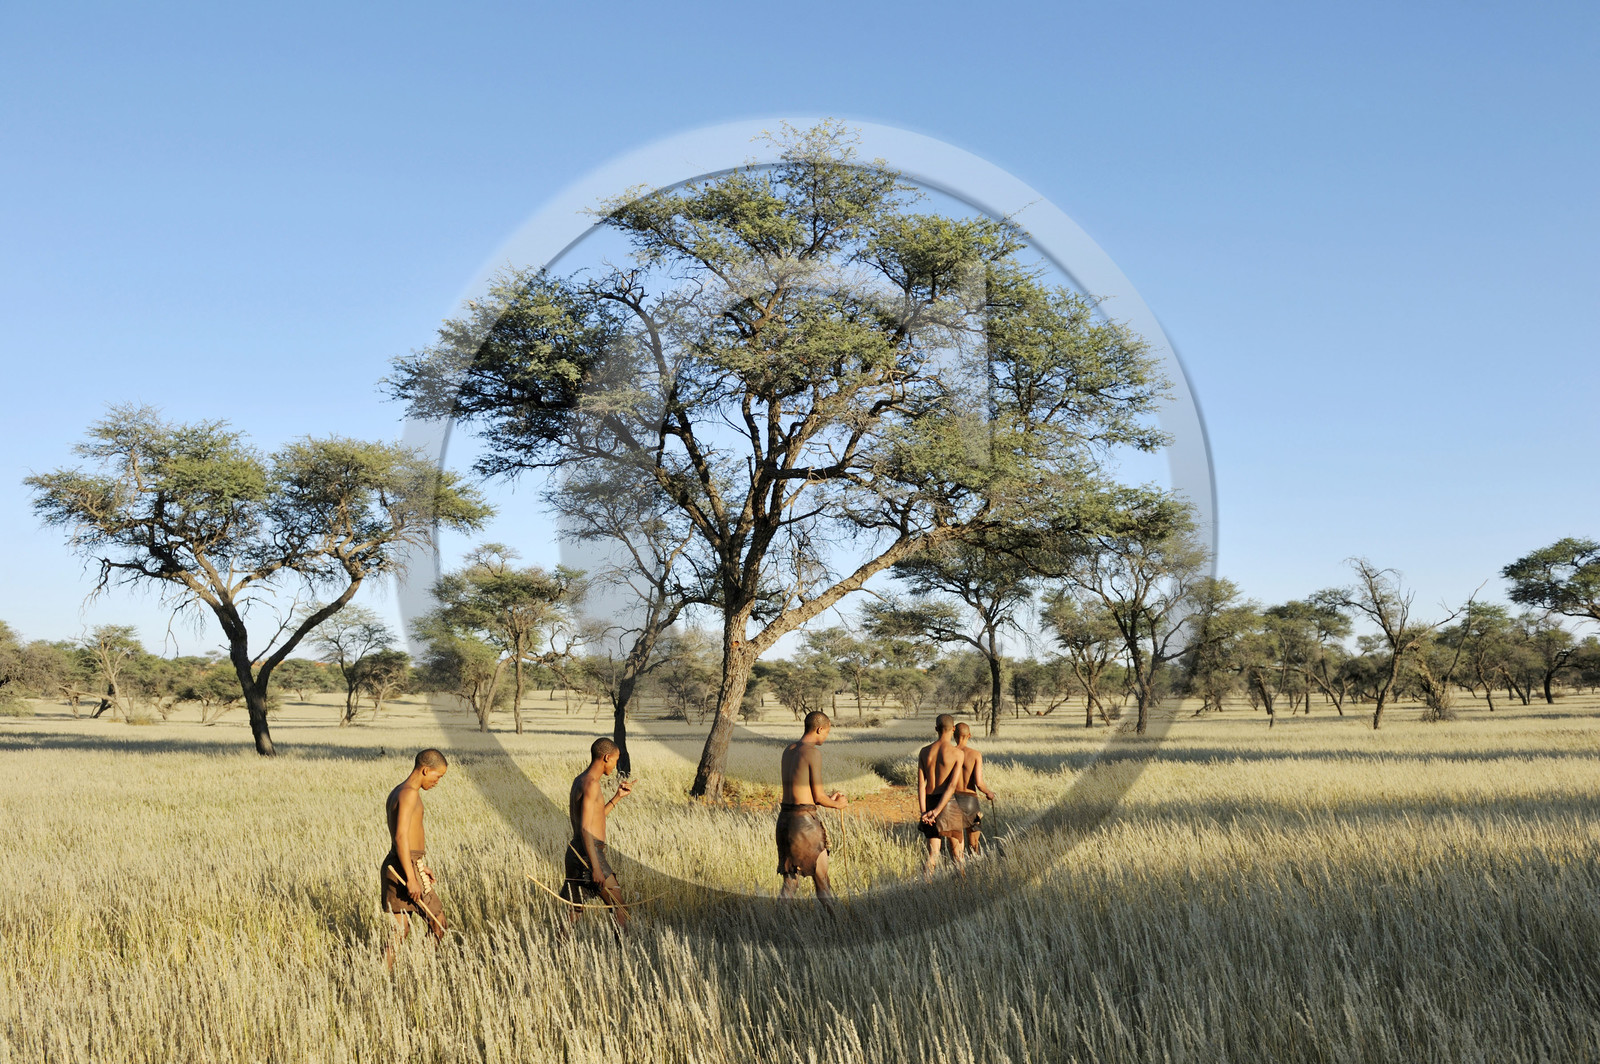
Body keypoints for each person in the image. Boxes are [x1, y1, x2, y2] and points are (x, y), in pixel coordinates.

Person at [381, 748, 449, 970]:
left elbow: (406, 838)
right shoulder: (409, 793)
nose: (437, 782)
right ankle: (419, 971)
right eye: (437, 776)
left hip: (400, 863)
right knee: (439, 924)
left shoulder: (398, 791)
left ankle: (380, 976)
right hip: (405, 867)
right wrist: (411, 876)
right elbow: (401, 836)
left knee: (400, 932)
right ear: (425, 769)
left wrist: (421, 865)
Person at [777, 711, 849, 905]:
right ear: (819, 729)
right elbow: (817, 797)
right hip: (804, 823)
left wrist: (829, 798)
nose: (827, 736)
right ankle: (836, 926)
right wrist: (838, 804)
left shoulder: (789, 749)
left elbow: (804, 791)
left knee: (790, 883)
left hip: (784, 820)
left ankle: (775, 926)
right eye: (827, 732)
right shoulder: (813, 753)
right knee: (822, 881)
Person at [563, 736, 633, 930]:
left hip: (576, 852)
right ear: (606, 757)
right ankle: (624, 956)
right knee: (620, 908)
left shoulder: (581, 780)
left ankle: (559, 953)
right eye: (616, 760)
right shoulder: (592, 784)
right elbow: (586, 828)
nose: (616, 764)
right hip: (589, 853)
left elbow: (595, 818)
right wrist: (596, 868)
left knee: (575, 913)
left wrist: (617, 797)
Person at [917, 714, 969, 877]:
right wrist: (938, 811)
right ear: (953, 729)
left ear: (936, 729)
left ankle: (926, 887)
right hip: (948, 804)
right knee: (957, 852)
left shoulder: (924, 752)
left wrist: (924, 812)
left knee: (933, 853)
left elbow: (920, 785)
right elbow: (952, 786)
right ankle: (963, 888)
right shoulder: (957, 753)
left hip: (930, 801)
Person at [952, 721, 996, 857]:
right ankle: (974, 873)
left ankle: (960, 875)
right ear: (969, 735)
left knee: (956, 846)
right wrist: (989, 793)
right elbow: (979, 782)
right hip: (970, 800)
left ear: (954, 734)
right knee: (974, 844)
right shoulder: (975, 754)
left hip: (952, 799)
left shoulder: (948, 753)